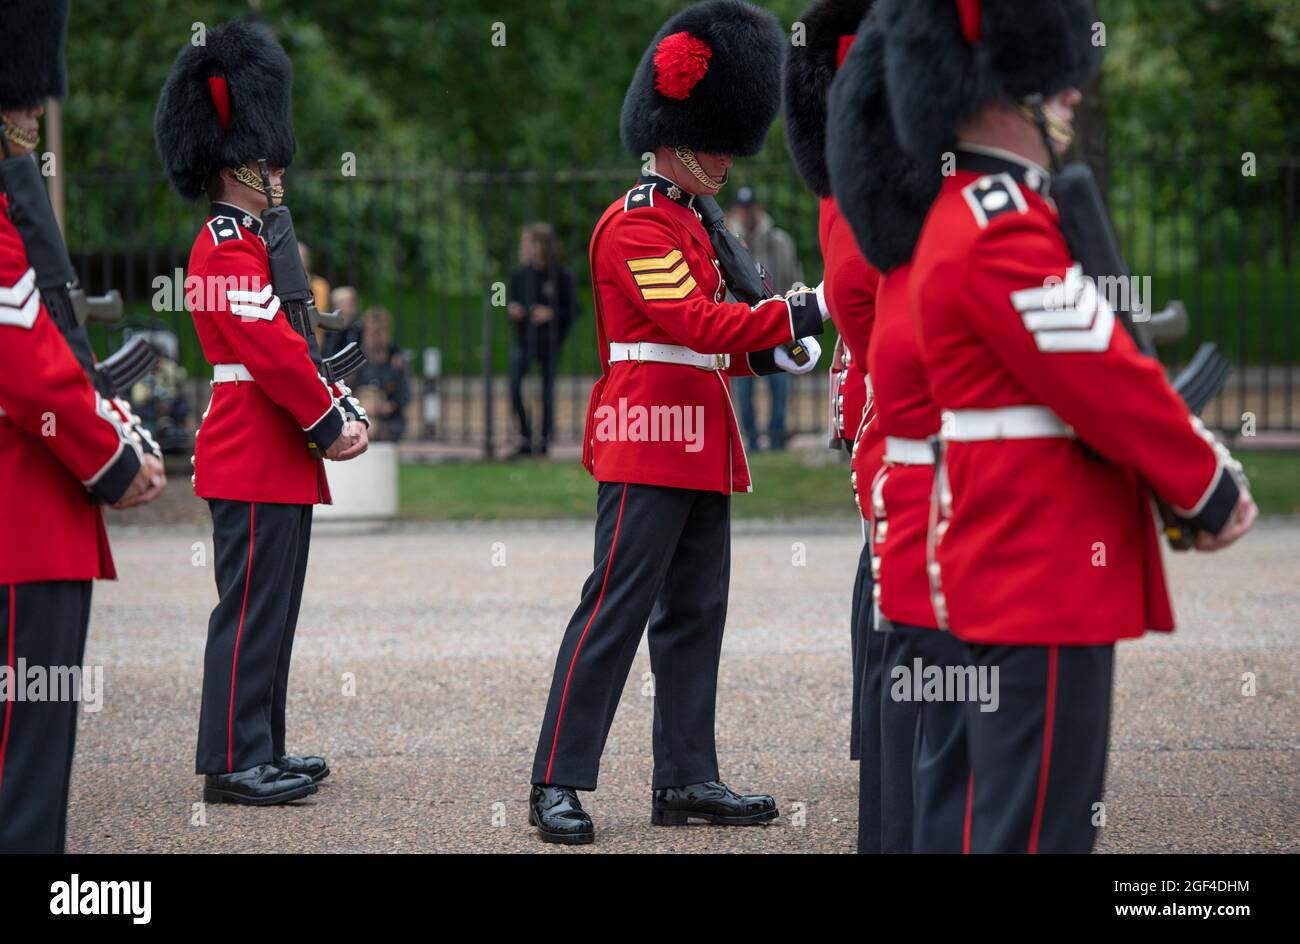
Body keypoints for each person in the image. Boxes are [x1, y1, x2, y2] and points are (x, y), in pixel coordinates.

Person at [883, 0, 1257, 853]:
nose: (1072, 98)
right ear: (997, 93)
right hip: (1041, 571)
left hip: (1019, 562)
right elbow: (1109, 380)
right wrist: (1207, 488)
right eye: (1050, 85)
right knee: (1035, 831)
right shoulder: (997, 225)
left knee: (994, 818)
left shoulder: (976, 214)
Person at [528, 0, 828, 845]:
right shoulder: (634, 226)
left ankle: (687, 777)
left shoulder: (697, 224)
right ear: (673, 138)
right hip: (646, 440)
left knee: (697, 616)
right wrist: (803, 311)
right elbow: (694, 326)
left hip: (699, 443)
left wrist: (773, 349)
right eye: (717, 141)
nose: (729, 158)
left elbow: (712, 349)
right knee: (613, 614)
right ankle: (556, 778)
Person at [155, 18, 369, 807]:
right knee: (246, 614)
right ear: (244, 164)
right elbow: (269, 353)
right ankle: (233, 762)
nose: (280, 170)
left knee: (270, 614)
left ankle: (262, 747)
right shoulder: (223, 243)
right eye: (268, 158)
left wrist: (334, 398)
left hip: (273, 452)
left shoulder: (250, 238)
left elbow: (289, 342)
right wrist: (328, 421)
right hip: (253, 448)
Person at [0, 0, 163, 852]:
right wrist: (112, 452)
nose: (33, 110)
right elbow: (23, 354)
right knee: (23, 774)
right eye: (23, 96)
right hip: (21, 519)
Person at [826, 9, 944, 852]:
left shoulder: (868, 207)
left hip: (895, 457)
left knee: (896, 657)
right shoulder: (935, 230)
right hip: (931, 471)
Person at [784, 0, 894, 854]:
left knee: (881, 574)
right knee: (895, 583)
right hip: (899, 409)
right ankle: (886, 745)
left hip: (882, 397)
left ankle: (880, 739)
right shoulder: (868, 185)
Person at [725, 187, 802, 451]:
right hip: (741, 327)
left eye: (751, 207)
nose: (747, 213)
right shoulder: (726, 243)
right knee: (744, 391)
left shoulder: (780, 242)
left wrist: (794, 319)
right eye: (742, 208)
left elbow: (795, 281)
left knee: (780, 386)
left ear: (758, 208)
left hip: (776, 326)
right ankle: (754, 442)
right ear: (736, 210)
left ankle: (777, 440)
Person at [507, 222, 577, 458]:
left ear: (544, 246)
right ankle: (525, 437)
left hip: (550, 341)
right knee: (514, 385)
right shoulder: (518, 275)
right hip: (525, 339)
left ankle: (544, 441)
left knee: (547, 392)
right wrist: (512, 309)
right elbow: (503, 299)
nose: (528, 248)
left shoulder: (562, 276)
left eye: (532, 243)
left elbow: (575, 309)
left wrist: (551, 313)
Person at [354, 306, 410, 441]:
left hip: (388, 420)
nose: (376, 336)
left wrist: (381, 407)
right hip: (357, 414)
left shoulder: (397, 361)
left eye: (381, 331)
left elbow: (404, 396)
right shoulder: (354, 358)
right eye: (372, 331)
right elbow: (345, 388)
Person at [322, 285, 362, 359]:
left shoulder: (361, 331)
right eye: (338, 305)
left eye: (346, 304)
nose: (342, 309)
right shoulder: (328, 334)